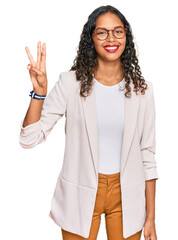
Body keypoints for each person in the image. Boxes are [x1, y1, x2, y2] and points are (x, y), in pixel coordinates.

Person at [19, 5, 159, 240]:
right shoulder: (70, 83)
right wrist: (39, 93)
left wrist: (151, 217)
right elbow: (29, 139)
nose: (111, 38)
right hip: (79, 194)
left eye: (118, 31)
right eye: (102, 32)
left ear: (126, 36)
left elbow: (147, 154)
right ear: (91, 38)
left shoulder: (142, 90)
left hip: (127, 196)